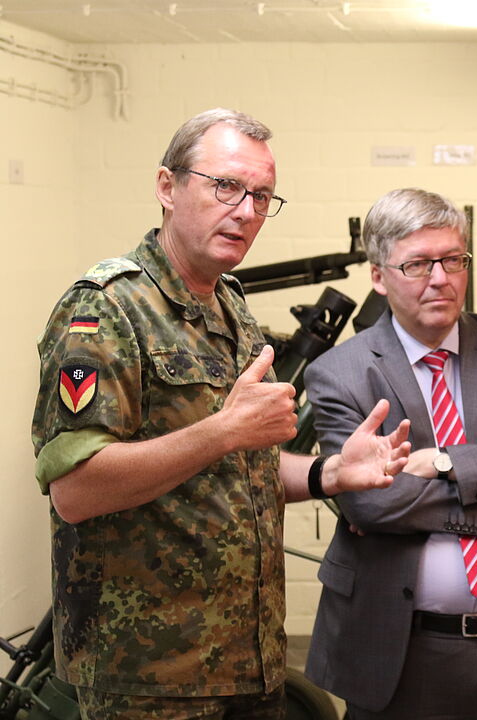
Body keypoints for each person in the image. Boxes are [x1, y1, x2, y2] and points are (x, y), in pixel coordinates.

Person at [30, 108, 412, 718]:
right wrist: (222, 430)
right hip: (151, 676)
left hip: (246, 658)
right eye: (226, 186)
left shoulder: (228, 304)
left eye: (262, 196)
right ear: (167, 186)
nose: (247, 210)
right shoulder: (105, 310)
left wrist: (329, 474)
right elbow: (76, 490)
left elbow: (240, 469)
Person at [303, 188, 477, 720]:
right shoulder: (340, 373)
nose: (441, 278)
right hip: (403, 652)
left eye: (453, 259)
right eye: (417, 264)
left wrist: (443, 463)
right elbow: (371, 505)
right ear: (379, 276)